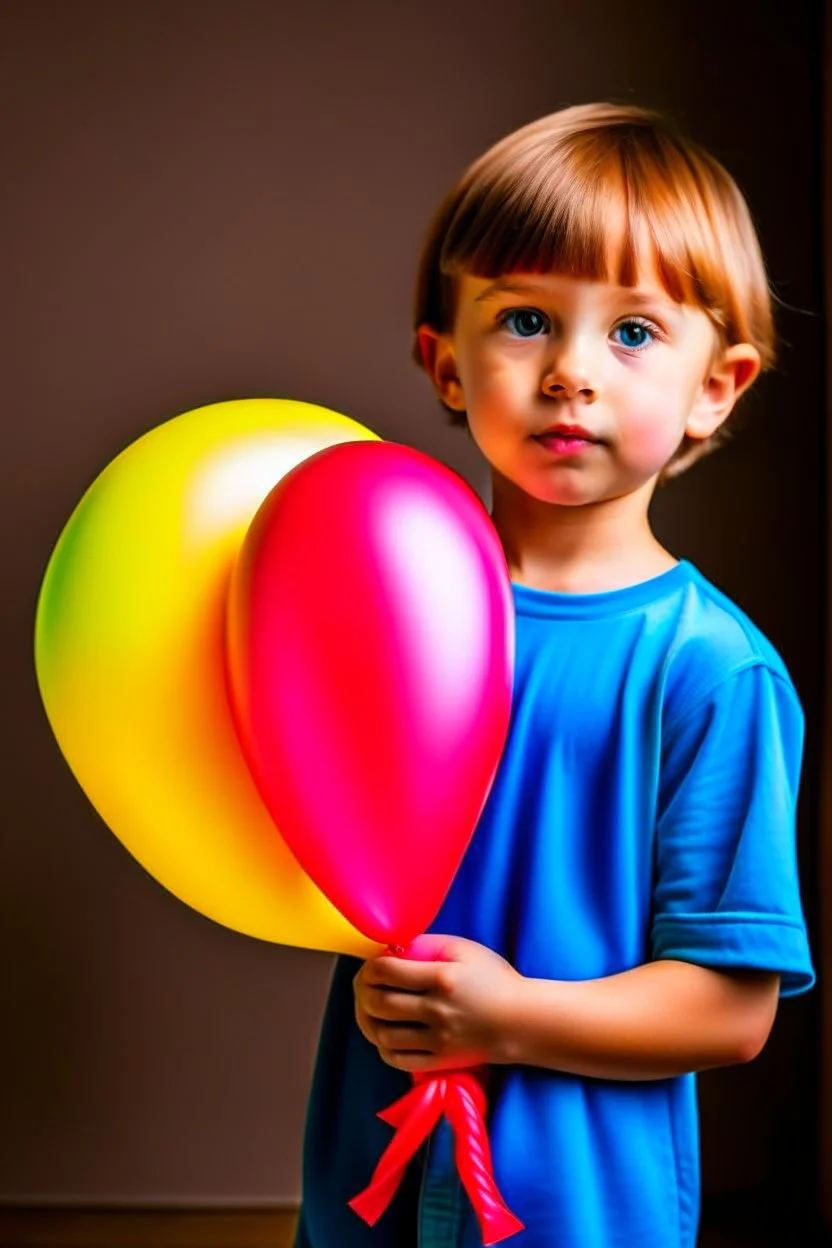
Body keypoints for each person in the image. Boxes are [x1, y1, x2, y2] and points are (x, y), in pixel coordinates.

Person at [293, 102, 815, 1248]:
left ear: (715, 385)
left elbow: (731, 1010)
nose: (572, 372)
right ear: (444, 362)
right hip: (369, 1167)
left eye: (632, 333)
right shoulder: (383, 614)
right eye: (524, 320)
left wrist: (509, 1019)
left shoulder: (709, 670)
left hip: (578, 1207)